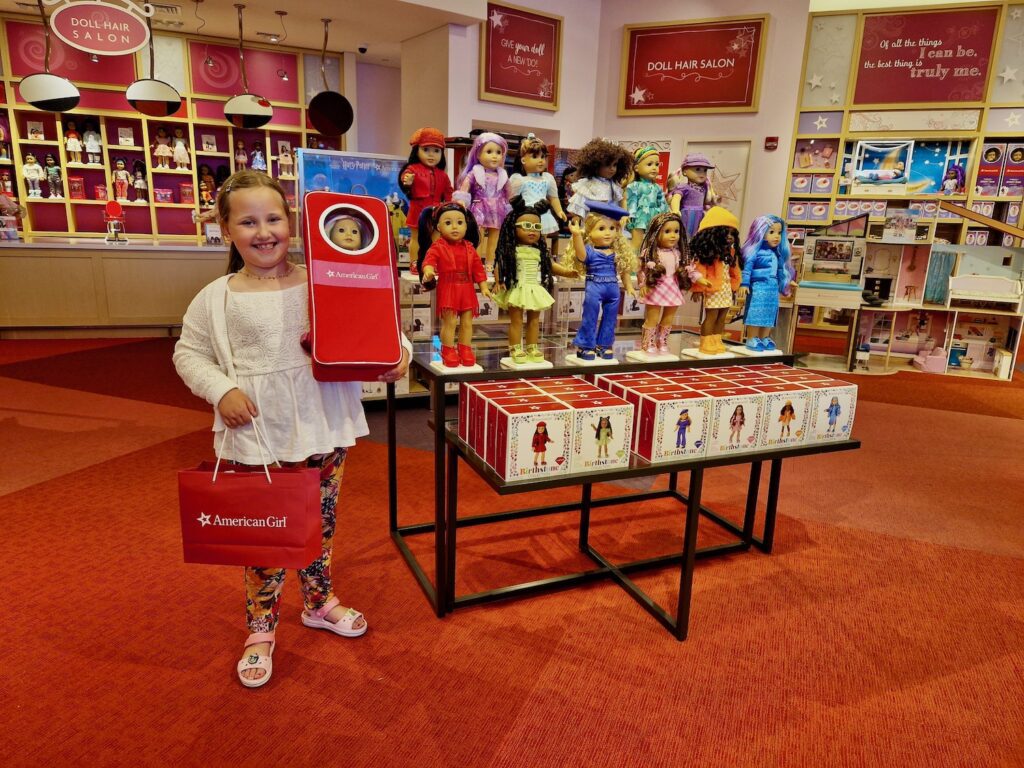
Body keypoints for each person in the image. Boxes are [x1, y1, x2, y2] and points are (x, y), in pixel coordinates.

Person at [173, 170, 411, 689]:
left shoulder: (324, 279)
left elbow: (375, 329)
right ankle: (260, 628)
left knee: (319, 525)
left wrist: (397, 357)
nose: (264, 232)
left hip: (321, 424)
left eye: (274, 218)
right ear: (226, 228)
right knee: (266, 536)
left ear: (293, 222)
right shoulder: (217, 296)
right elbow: (188, 353)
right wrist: (221, 390)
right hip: (259, 433)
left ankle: (319, 601)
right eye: (248, 221)